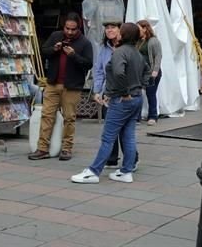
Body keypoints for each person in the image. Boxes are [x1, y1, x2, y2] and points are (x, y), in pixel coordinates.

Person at [71, 22, 148, 184]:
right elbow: (148, 73)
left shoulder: (120, 52)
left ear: (123, 34)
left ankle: (93, 171)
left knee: (108, 137)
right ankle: (126, 170)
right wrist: (138, 86)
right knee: (128, 135)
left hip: (122, 100)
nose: (115, 32)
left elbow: (119, 73)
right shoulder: (137, 52)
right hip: (136, 98)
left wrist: (122, 92)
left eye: (119, 30)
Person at [29, 13, 93, 161]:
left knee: (69, 118)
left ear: (79, 28)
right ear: (63, 26)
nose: (69, 32)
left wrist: (74, 56)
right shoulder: (56, 36)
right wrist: (54, 49)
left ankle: (66, 148)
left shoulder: (85, 43)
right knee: (47, 115)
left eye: (73, 29)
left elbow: (89, 63)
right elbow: (43, 51)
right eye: (67, 28)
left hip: (71, 87)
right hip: (52, 83)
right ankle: (42, 148)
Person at [92, 19, 136, 168]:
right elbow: (98, 70)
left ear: (120, 30)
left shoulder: (127, 48)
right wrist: (97, 90)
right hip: (107, 92)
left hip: (124, 94)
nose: (109, 30)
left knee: (125, 130)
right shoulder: (103, 48)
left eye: (113, 28)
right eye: (107, 28)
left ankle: (132, 159)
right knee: (110, 128)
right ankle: (112, 157)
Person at [137, 20, 162, 125]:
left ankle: (153, 116)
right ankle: (136, 117)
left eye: (139, 28)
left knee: (150, 93)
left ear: (145, 28)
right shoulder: (138, 41)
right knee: (137, 93)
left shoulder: (153, 41)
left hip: (151, 71)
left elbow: (158, 56)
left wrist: (155, 70)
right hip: (140, 72)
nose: (137, 31)